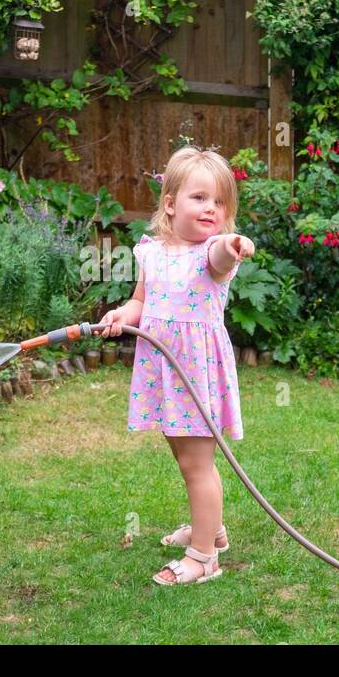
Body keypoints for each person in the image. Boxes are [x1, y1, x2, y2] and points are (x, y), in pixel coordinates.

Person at [97, 145, 256, 585]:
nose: (211, 208)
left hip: (194, 375)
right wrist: (121, 316)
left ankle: (204, 556)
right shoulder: (153, 251)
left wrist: (233, 243)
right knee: (186, 456)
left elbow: (221, 256)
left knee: (197, 465)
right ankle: (213, 529)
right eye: (200, 198)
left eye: (220, 202)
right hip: (163, 371)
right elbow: (140, 300)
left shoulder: (212, 255)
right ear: (170, 203)